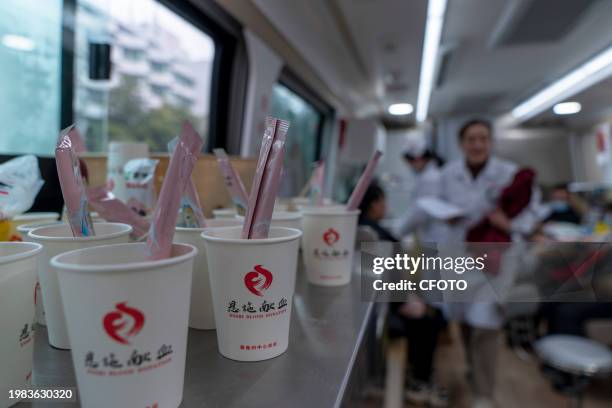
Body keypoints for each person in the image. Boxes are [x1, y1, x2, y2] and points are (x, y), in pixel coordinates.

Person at [438, 119, 541, 408]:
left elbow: (533, 212)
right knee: (466, 323)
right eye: (471, 139)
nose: (478, 144)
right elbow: (434, 207)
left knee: (486, 325)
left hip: (495, 260)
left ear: (491, 142)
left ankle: (483, 395)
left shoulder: (510, 173)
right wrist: (445, 216)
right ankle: (474, 370)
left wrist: (510, 224)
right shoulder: (448, 174)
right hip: (459, 257)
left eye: (483, 138)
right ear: (462, 144)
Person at [394, 140, 447, 244]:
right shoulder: (432, 174)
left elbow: (420, 213)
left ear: (418, 159)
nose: (410, 167)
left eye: (410, 162)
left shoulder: (429, 179)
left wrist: (397, 231)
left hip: (436, 238)